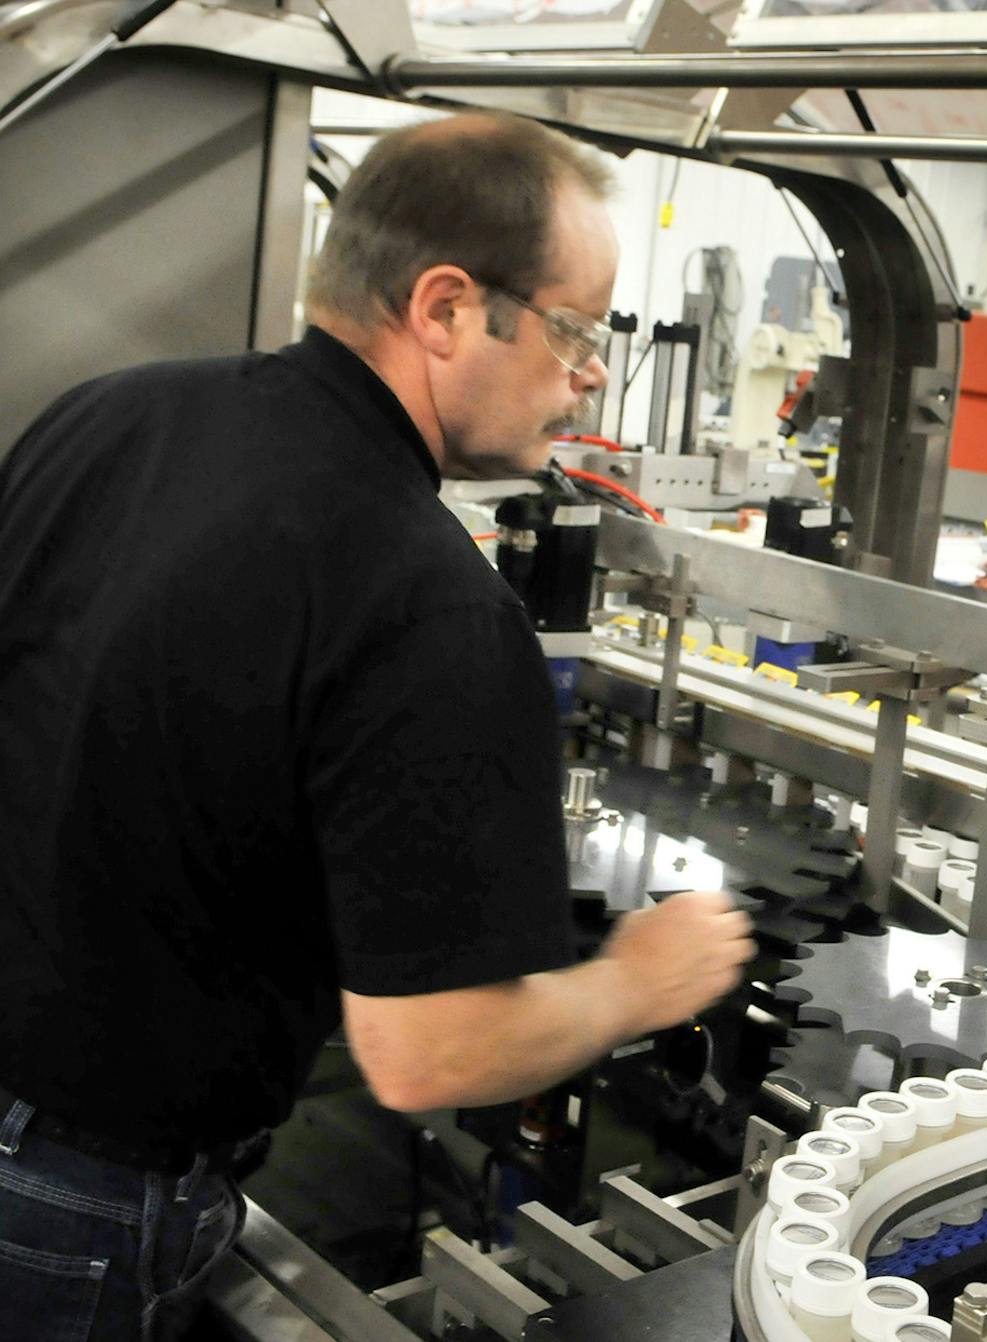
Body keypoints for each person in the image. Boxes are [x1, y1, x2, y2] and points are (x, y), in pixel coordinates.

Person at [0, 112, 756, 1340]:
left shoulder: (107, 416)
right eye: (576, 328)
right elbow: (428, 1055)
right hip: (75, 1205)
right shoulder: (429, 600)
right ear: (447, 308)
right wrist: (634, 980)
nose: (594, 372)